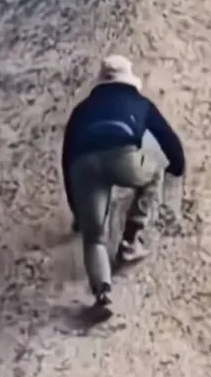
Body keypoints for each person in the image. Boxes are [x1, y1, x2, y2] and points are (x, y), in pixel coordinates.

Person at [61, 54, 186, 307]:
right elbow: (167, 140)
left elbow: (67, 159)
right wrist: (177, 166)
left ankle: (102, 294)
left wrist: (78, 213)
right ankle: (130, 242)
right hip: (123, 157)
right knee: (155, 170)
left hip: (83, 164)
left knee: (93, 237)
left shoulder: (82, 109)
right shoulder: (139, 103)